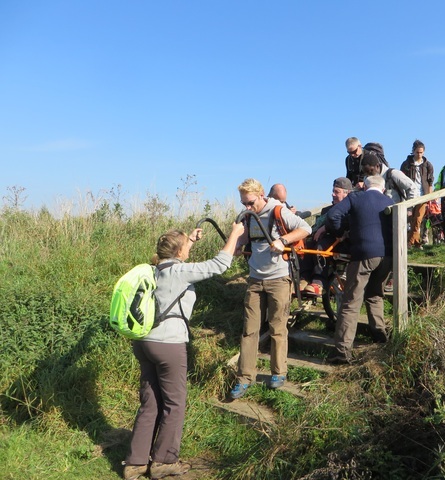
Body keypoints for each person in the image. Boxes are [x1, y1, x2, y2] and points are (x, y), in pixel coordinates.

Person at [123, 221, 245, 480]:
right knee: (174, 403)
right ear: (178, 253)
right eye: (184, 248)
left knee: (150, 401)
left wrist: (189, 239)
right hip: (169, 345)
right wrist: (234, 234)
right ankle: (164, 461)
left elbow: (177, 255)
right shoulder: (179, 272)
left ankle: (135, 463)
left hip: (144, 342)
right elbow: (220, 264)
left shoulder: (154, 270)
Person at [230, 178, 312, 399]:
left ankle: (278, 372)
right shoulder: (249, 216)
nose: (247, 208)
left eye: (250, 202)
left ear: (261, 194)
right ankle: (244, 377)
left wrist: (283, 240)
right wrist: (238, 245)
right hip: (255, 279)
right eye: (243, 204)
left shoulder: (277, 211)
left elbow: (306, 228)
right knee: (249, 330)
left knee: (277, 328)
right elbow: (248, 237)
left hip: (278, 279)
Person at [325, 175, 393, 364]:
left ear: (365, 187)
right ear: (383, 188)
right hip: (387, 255)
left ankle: (342, 351)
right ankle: (380, 337)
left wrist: (341, 234)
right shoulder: (390, 201)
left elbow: (333, 215)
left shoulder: (356, 197)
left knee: (351, 302)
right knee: (375, 295)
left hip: (363, 254)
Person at [299, 177, 353, 296]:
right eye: (333, 191)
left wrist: (326, 227)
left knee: (320, 246)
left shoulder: (351, 208)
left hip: (341, 241)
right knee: (307, 243)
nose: (333, 194)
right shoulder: (326, 210)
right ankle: (304, 278)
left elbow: (347, 223)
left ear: (347, 193)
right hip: (326, 239)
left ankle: (318, 282)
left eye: (336, 192)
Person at [400, 139, 434, 248]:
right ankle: (415, 241)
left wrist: (429, 197)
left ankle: (410, 242)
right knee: (410, 219)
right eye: (417, 152)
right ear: (413, 151)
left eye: (421, 152)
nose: (419, 154)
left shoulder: (428, 165)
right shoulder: (406, 164)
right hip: (409, 195)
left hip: (422, 194)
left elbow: (430, 182)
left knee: (419, 218)